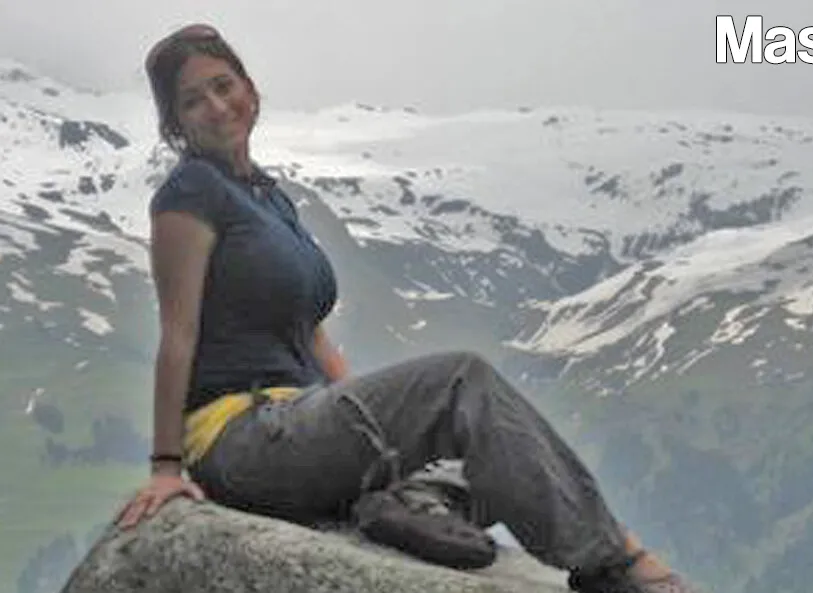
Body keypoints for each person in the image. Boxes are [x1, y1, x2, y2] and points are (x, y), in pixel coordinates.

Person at [114, 22, 693, 593]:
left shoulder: (269, 199)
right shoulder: (191, 193)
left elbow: (311, 333)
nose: (217, 106)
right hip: (241, 438)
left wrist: (374, 421)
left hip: (300, 421)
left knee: (506, 453)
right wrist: (166, 468)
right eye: (193, 101)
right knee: (462, 379)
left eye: (224, 85)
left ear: (250, 89)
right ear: (176, 125)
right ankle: (616, 564)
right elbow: (178, 333)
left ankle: (407, 501)